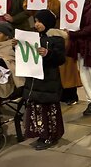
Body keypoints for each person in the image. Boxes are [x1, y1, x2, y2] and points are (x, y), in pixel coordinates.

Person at [22, 9, 66, 150]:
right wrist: (18, 46)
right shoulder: (32, 37)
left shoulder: (56, 38)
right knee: (36, 108)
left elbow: (60, 59)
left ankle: (51, 135)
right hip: (34, 79)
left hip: (49, 79)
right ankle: (40, 133)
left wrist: (48, 53)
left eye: (40, 21)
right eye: (35, 21)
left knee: (49, 109)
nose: (37, 24)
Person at [46, 0, 82, 106]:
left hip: (66, 36)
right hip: (54, 34)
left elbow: (56, 11)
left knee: (67, 66)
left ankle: (70, 95)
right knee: (57, 66)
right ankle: (61, 93)